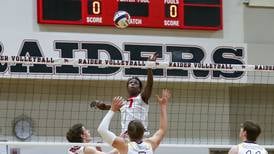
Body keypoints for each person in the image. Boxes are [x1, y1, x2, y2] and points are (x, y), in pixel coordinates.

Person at [92, 53, 158, 137]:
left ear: (140, 89)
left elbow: (149, 85)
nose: (133, 83)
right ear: (127, 87)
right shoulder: (122, 104)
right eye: (130, 82)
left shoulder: (142, 98)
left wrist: (149, 67)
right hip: (125, 136)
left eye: (136, 83)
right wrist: (98, 104)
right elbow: (106, 107)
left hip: (141, 135)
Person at [97, 89, 171, 154]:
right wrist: (163, 106)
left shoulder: (124, 146)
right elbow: (162, 129)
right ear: (143, 133)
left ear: (127, 133)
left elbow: (101, 130)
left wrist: (112, 110)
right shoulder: (151, 144)